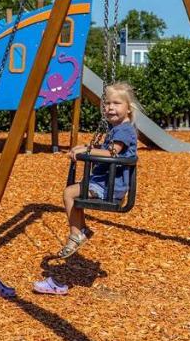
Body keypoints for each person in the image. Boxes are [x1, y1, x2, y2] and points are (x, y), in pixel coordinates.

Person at [56, 82, 137, 259]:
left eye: (116, 103)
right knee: (75, 195)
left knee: (69, 193)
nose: (110, 107)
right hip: (105, 181)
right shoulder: (117, 129)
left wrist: (87, 150)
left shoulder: (124, 130)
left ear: (128, 108)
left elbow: (112, 152)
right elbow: (107, 148)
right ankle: (81, 230)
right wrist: (86, 147)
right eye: (107, 103)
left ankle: (76, 234)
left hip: (109, 185)